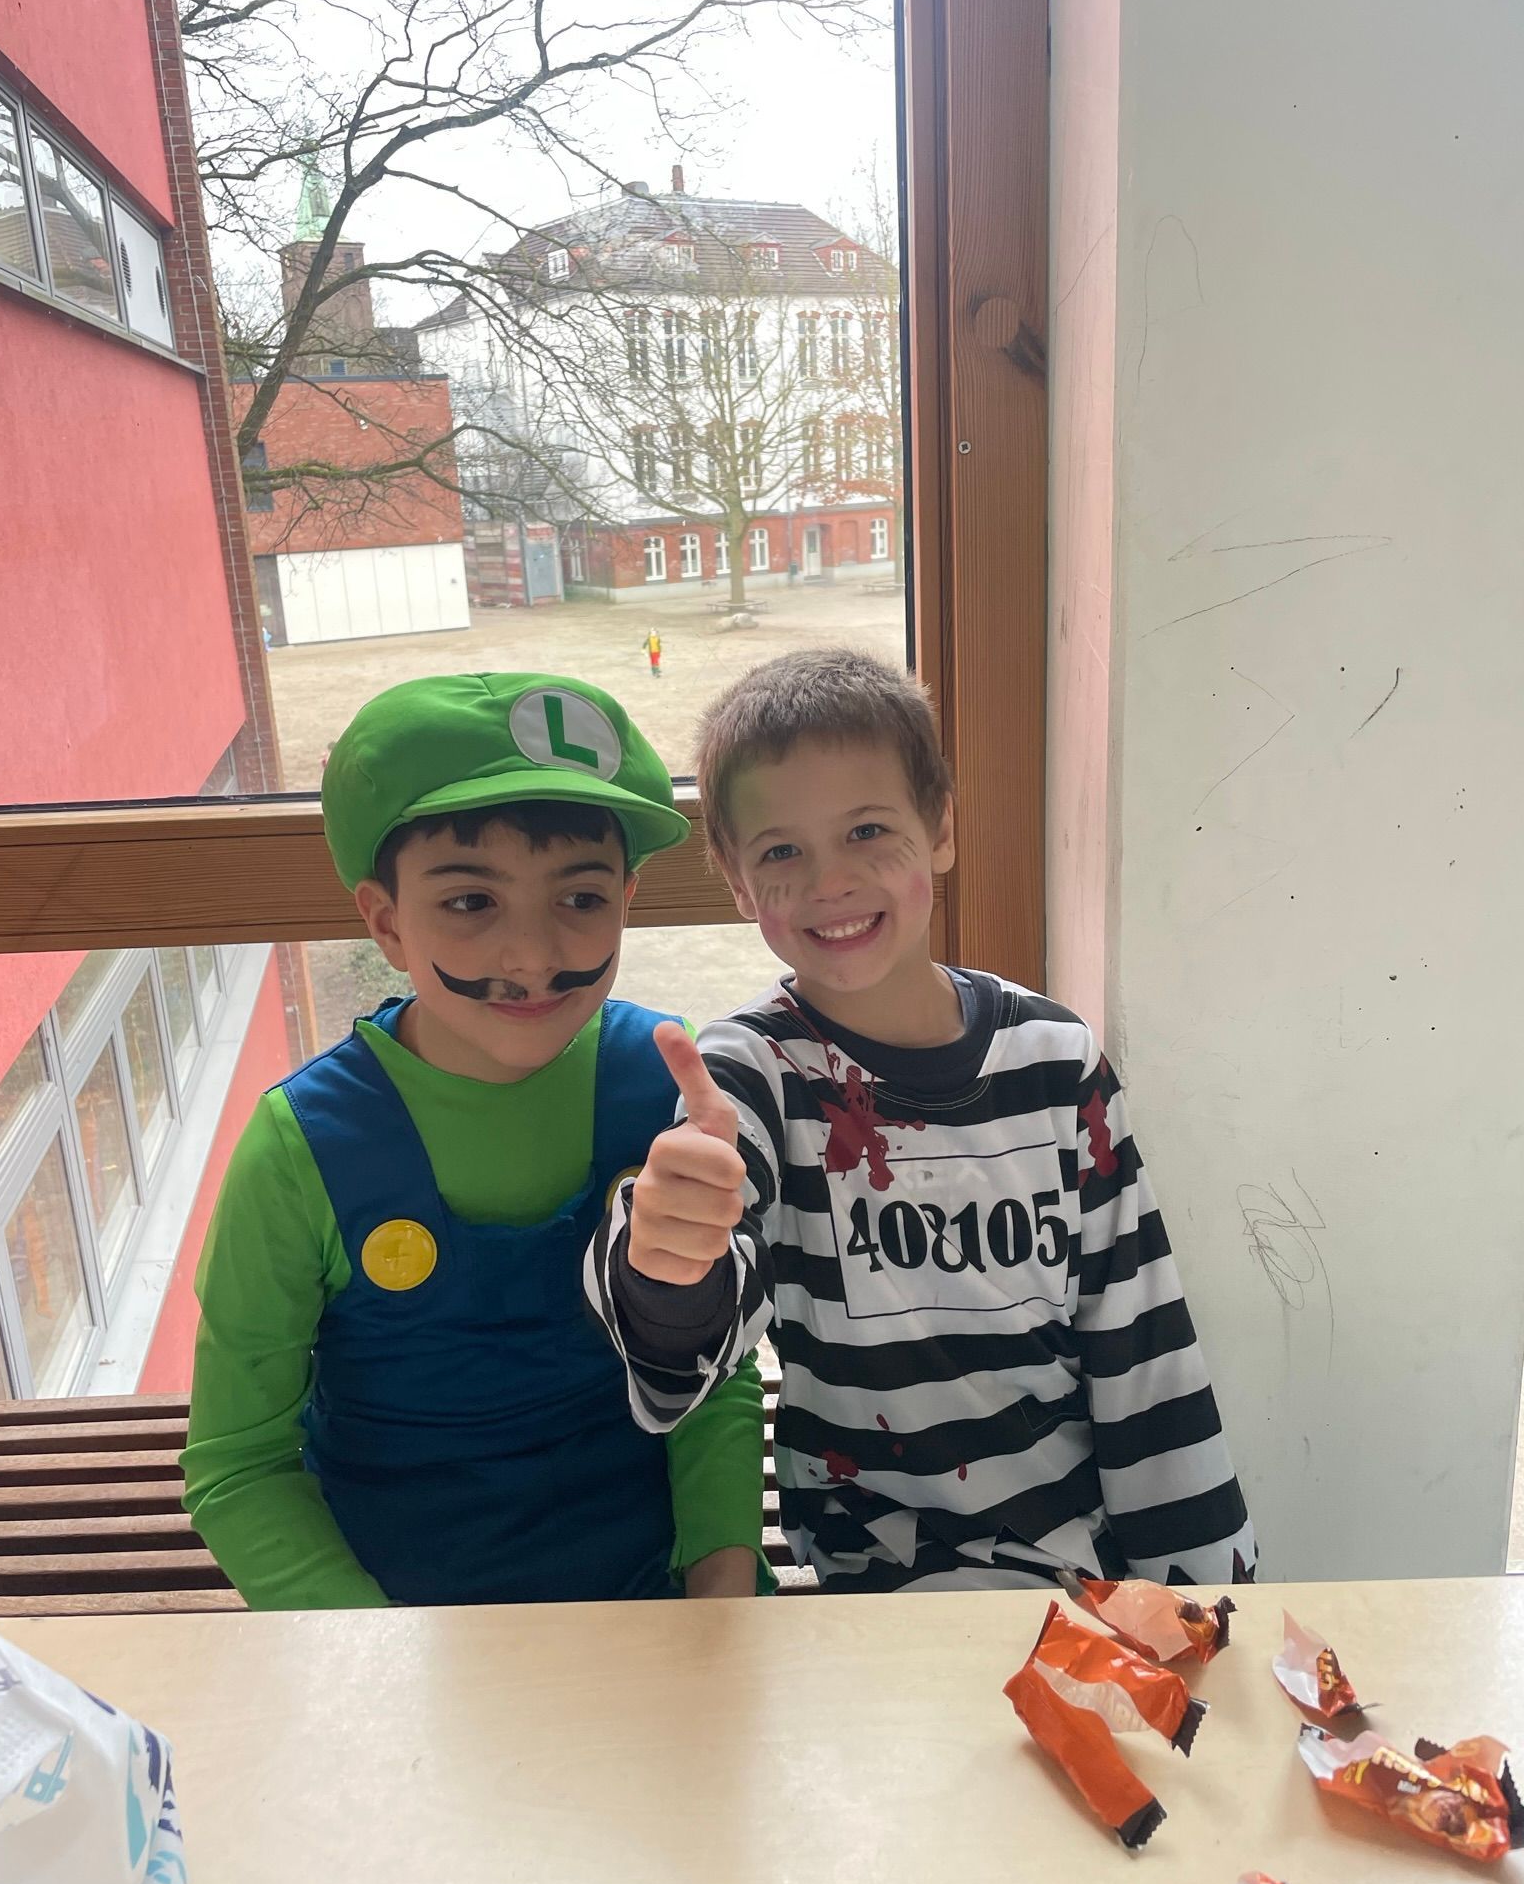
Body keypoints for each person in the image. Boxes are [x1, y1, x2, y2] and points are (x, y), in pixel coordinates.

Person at [586, 648, 1255, 1593]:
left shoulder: (1053, 1060)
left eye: (867, 831)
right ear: (736, 881)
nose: (830, 881)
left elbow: (1142, 1344)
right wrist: (669, 1263)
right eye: (781, 852)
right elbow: (687, 1353)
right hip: (876, 1575)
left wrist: (1208, 1597)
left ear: (940, 827)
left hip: (1078, 1564)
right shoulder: (751, 1072)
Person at [183, 671, 764, 1610]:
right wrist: (376, 1663)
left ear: (628, 896)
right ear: (386, 922)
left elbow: (710, 1371)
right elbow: (240, 1467)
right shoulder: (302, 1148)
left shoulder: (664, 1087)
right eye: (469, 903)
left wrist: (722, 1596)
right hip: (393, 1628)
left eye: (581, 898)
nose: (532, 956)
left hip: (657, 1605)